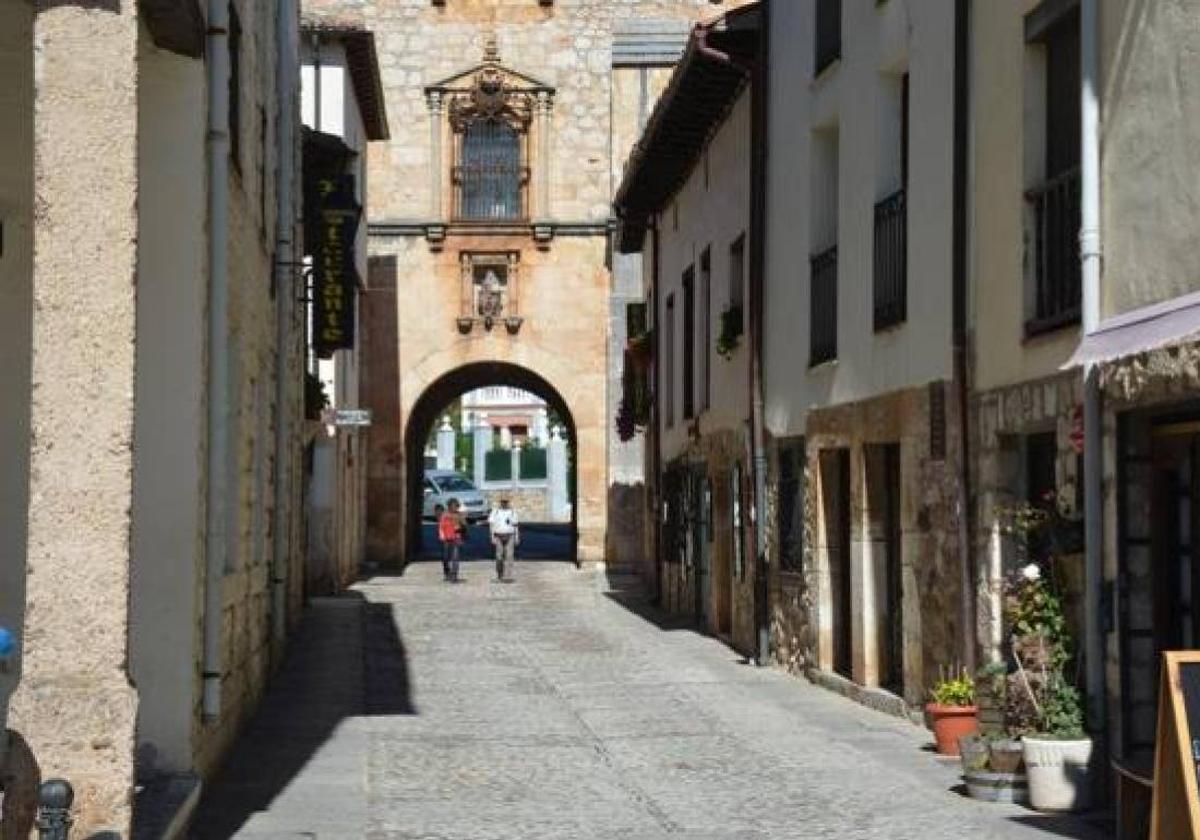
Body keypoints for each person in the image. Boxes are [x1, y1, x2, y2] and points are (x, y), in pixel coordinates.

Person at [488, 497, 520, 582]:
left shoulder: (513, 512)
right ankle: (499, 574)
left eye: (506, 502)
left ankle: (508, 576)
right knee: (499, 556)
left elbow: (516, 525)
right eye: (503, 502)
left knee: (509, 555)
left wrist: (517, 537)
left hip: (510, 535)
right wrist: (492, 536)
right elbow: (491, 525)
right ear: (500, 502)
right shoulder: (495, 512)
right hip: (498, 535)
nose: (504, 503)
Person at [438, 498, 465, 582]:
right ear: (449, 507)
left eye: (456, 506)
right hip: (446, 539)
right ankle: (447, 572)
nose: (454, 508)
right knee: (445, 557)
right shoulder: (444, 515)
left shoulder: (460, 515)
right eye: (453, 506)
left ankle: (454, 575)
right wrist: (441, 535)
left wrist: (461, 525)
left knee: (455, 558)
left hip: (456, 539)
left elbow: (464, 528)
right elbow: (441, 527)